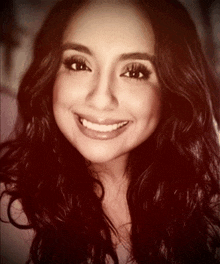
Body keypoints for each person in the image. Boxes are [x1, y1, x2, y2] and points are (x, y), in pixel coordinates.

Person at [1, 0, 220, 263]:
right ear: (50, 77)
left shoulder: (209, 202)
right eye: (79, 64)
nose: (101, 99)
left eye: (134, 71)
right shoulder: (6, 208)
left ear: (171, 90)